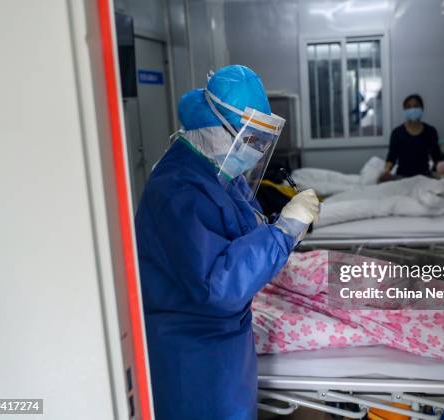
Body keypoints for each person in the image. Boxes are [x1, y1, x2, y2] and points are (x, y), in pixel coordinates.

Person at [134, 65, 320, 419]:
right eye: (251, 139)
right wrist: (283, 233)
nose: (257, 150)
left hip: (222, 342)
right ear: (217, 129)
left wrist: (274, 228)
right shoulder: (177, 191)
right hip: (193, 351)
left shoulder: (216, 170)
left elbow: (244, 225)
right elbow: (217, 284)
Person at [378, 94, 444, 182]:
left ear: (422, 109)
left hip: (424, 176)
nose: (412, 109)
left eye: (416, 106)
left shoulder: (430, 131)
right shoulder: (397, 133)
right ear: (404, 110)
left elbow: (436, 157)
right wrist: (386, 172)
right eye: (408, 107)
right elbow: (391, 157)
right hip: (402, 177)